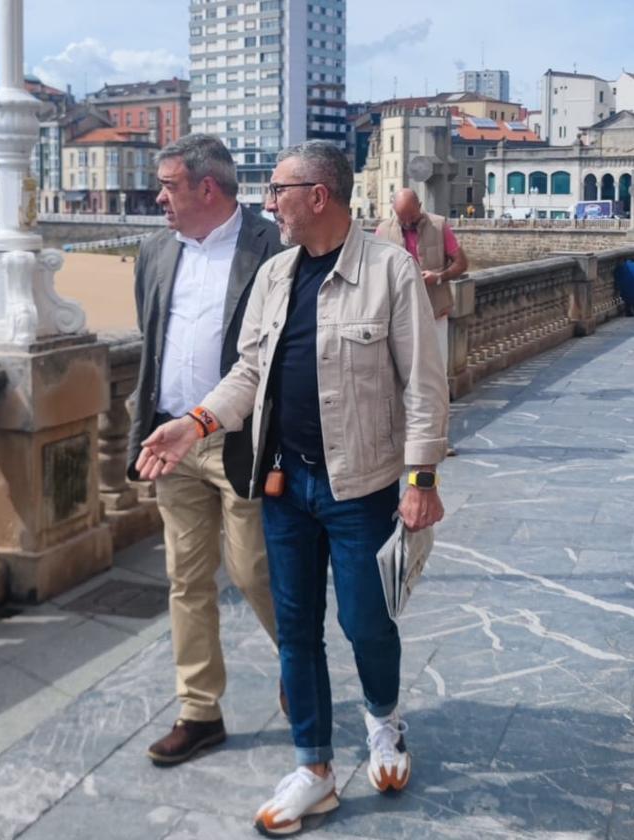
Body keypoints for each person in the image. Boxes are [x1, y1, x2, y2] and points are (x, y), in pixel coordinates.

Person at [137, 141, 449, 835]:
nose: (268, 202)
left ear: (319, 195)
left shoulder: (390, 272)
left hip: (362, 486)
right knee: (297, 633)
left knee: (368, 622)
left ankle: (383, 723)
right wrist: (193, 424)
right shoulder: (276, 275)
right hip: (284, 482)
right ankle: (314, 767)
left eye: (278, 189)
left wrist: (420, 477)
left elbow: (425, 386)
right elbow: (249, 375)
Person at [127, 133, 284, 767]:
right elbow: (151, 335)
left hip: (240, 440)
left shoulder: (272, 247)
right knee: (185, 580)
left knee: (253, 571)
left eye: (168, 185)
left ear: (206, 188)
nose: (158, 196)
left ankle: (301, 668)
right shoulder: (155, 250)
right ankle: (199, 711)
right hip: (171, 440)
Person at [375, 189, 468, 371]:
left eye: (412, 215)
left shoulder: (439, 226)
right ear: (393, 210)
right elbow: (375, 274)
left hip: (435, 312)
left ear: (419, 206)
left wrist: (439, 277)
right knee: (403, 372)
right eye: (403, 217)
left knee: (437, 370)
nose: (408, 221)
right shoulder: (382, 231)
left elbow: (462, 263)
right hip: (399, 314)